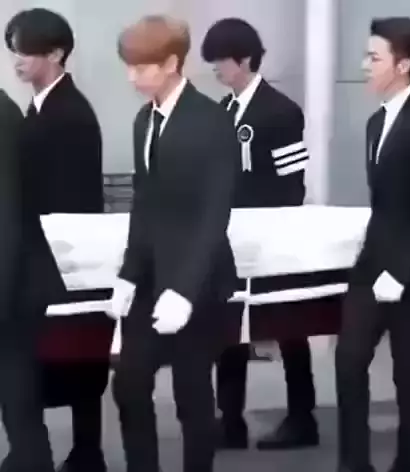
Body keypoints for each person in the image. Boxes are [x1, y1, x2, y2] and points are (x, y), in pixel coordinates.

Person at [109, 15, 240, 472]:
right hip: (151, 276)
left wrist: (184, 289)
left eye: (141, 67)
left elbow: (214, 214)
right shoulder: (144, 120)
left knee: (191, 392)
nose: (132, 77)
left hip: (198, 278)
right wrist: (128, 273)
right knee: (129, 383)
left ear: (170, 63)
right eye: (128, 66)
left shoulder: (211, 120)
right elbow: (144, 202)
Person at [335, 17, 410, 472]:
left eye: (374, 57)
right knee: (348, 362)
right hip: (371, 265)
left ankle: (408, 463)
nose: (364, 66)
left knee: (409, 372)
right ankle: (354, 463)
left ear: (403, 64)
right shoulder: (375, 123)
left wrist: (403, 271)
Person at [201, 17, 317, 450]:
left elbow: (292, 183)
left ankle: (302, 417)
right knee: (228, 329)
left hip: (272, 239)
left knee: (290, 329)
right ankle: (230, 419)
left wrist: (276, 234)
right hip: (230, 239)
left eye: (221, 60)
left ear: (245, 59)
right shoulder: (223, 110)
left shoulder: (281, 111)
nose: (216, 69)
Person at [4, 9, 106, 472]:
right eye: (13, 51)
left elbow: (70, 198)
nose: (17, 61)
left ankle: (85, 452)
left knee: (75, 359)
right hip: (47, 252)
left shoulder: (69, 114)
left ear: (56, 53)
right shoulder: (41, 106)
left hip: (64, 255)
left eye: (26, 51)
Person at [0, 88, 68, 471]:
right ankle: (28, 456)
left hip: (13, 273)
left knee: (15, 377)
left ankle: (30, 458)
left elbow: (6, 210)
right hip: (15, 269)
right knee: (14, 378)